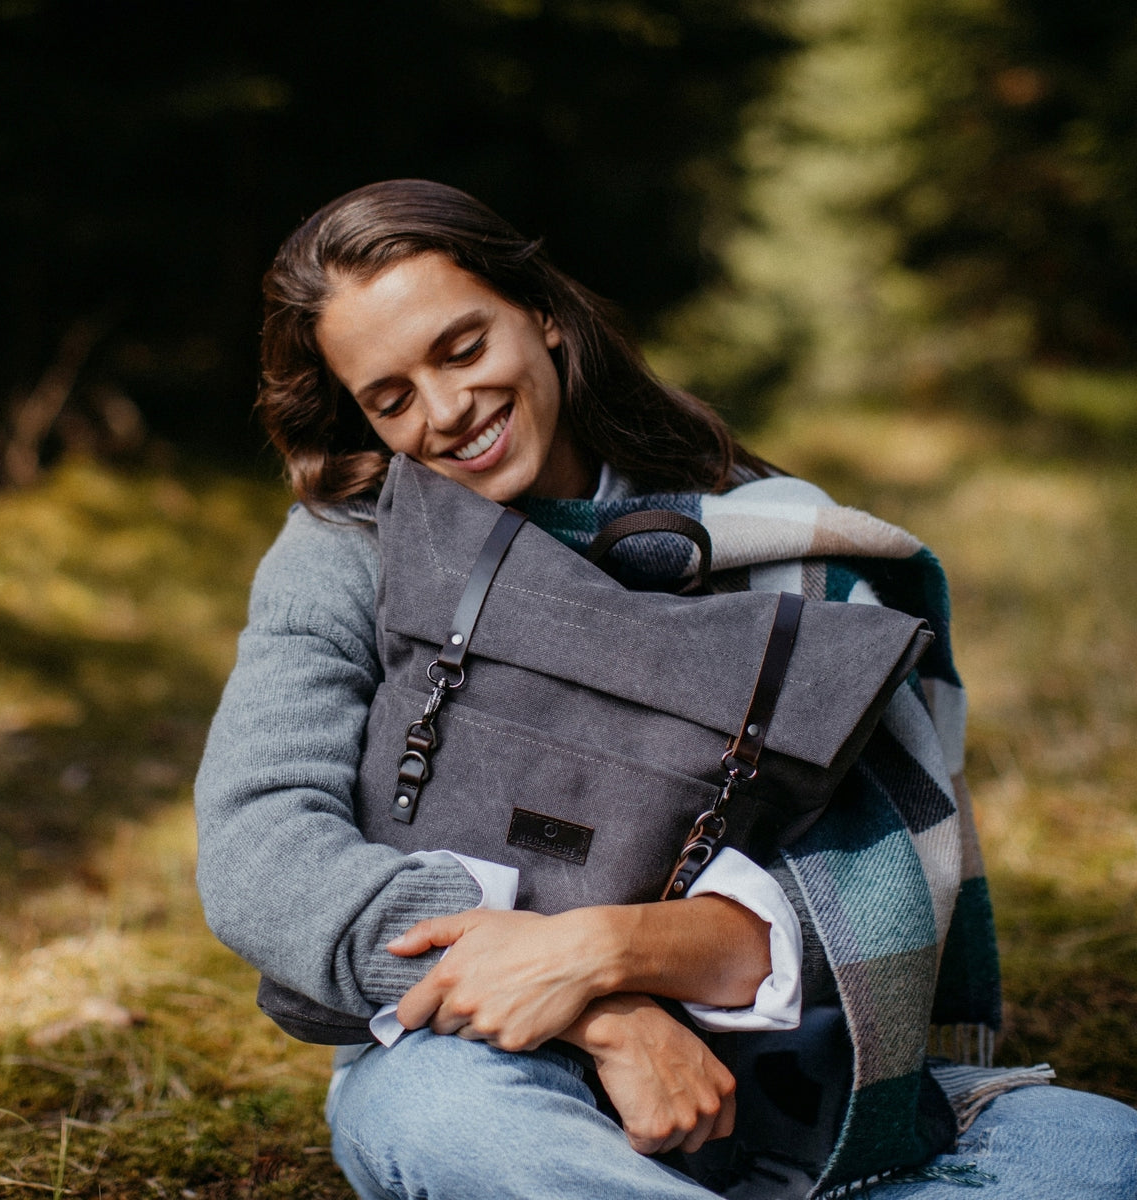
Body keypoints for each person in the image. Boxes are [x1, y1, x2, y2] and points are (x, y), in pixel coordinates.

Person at [195, 179, 1137, 1199]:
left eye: (462, 348)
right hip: (475, 1060)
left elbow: (882, 871)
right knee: (450, 1127)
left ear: (543, 316)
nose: (446, 410)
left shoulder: (765, 535)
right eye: (391, 398)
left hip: (781, 1076)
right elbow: (259, 843)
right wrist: (595, 1008)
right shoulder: (350, 551)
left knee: (1098, 1154)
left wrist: (605, 948)